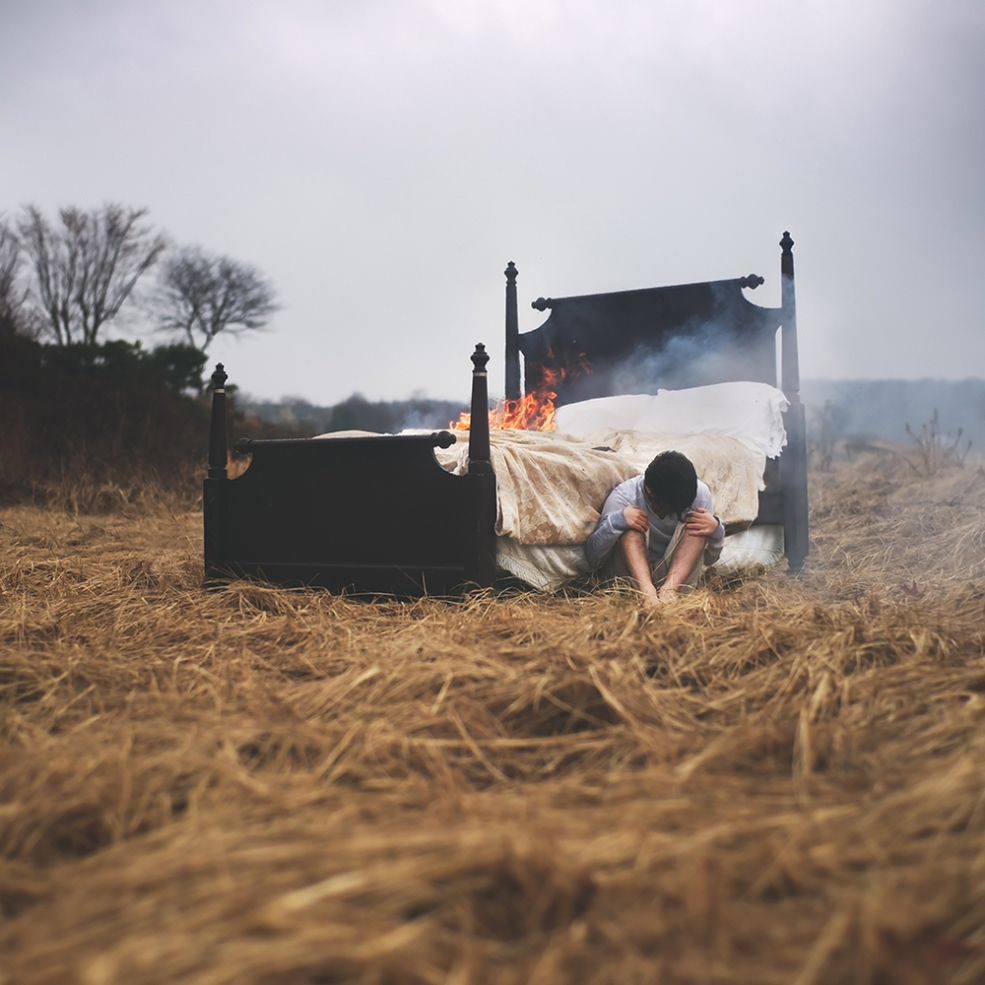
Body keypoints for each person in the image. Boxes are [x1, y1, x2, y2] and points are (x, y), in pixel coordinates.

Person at [585, 450, 725, 606]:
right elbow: (593, 559)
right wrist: (618, 521)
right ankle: (647, 595)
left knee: (698, 527)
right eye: (668, 508)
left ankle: (668, 593)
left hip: (677, 583)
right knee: (631, 527)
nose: (668, 514)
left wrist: (717, 531)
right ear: (651, 494)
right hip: (631, 583)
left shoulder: (699, 494)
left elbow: (711, 559)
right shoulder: (625, 496)